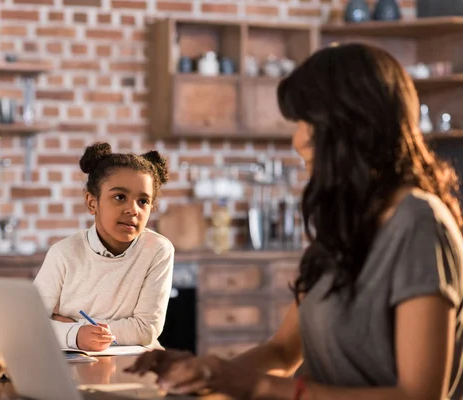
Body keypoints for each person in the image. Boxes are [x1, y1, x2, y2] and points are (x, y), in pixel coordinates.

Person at [126, 43, 463, 400]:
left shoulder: (419, 225)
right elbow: (283, 351)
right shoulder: (344, 227)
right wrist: (204, 373)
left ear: (349, 126)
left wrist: (258, 387)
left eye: (306, 122)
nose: (297, 138)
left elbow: (419, 395)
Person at [33, 142, 175, 352]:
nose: (133, 210)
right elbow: (31, 324)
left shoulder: (158, 250)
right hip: (76, 363)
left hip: (135, 364)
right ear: (92, 203)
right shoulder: (63, 253)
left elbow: (146, 329)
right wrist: (78, 336)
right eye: (120, 197)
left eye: (143, 201)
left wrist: (75, 329)